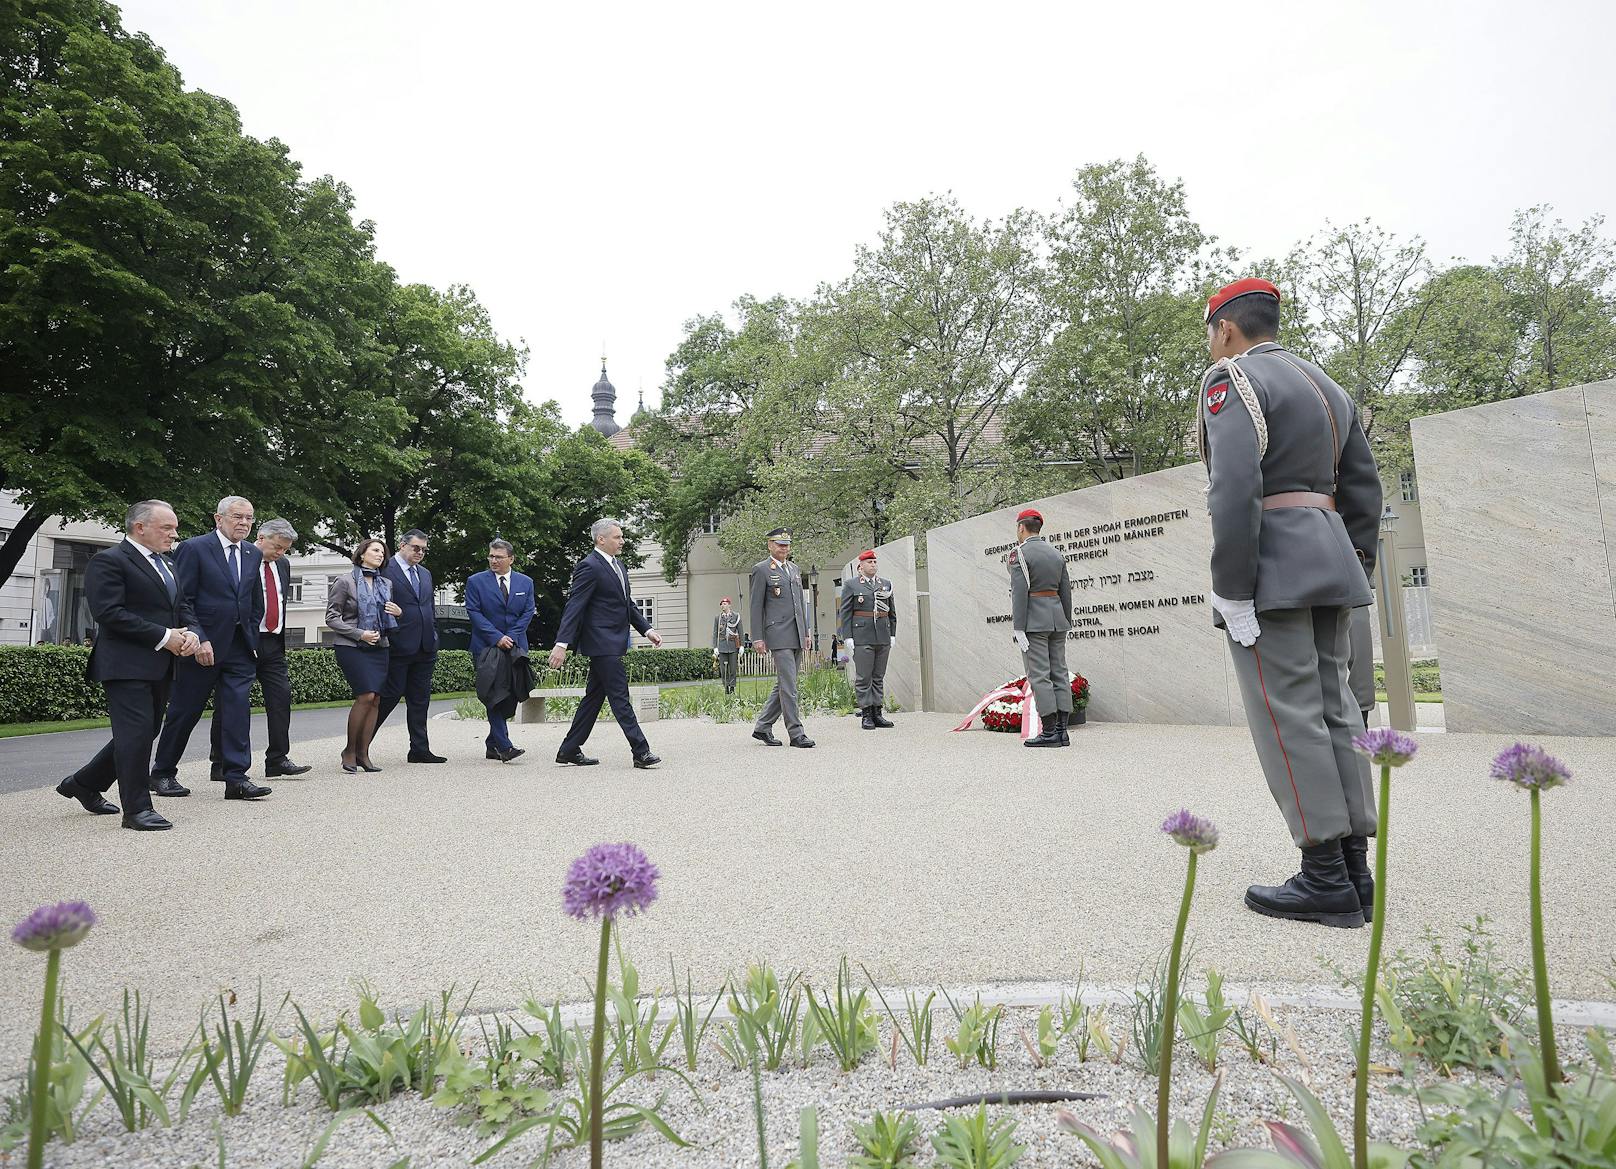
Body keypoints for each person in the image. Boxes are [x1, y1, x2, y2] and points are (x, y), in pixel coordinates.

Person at [1197, 277, 1383, 929]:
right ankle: (1356, 870)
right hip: (1332, 563)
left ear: (1225, 329)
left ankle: (1324, 877)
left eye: (1209, 334)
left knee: (1290, 718)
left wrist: (1231, 585)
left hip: (1272, 566)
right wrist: (1354, 565)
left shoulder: (1231, 381)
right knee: (1338, 712)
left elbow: (1234, 489)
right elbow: (1364, 489)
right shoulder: (1328, 387)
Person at [56, 500, 200, 831]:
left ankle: (84, 783)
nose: (174, 534)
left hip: (161, 663)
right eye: (167, 528)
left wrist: (190, 633)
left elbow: (182, 606)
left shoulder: (169, 565)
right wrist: (166, 636)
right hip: (124, 664)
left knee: (145, 730)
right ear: (140, 527)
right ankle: (136, 810)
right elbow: (108, 613)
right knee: (135, 733)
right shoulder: (109, 561)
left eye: (174, 528)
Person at [149, 495, 272, 802]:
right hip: (201, 645)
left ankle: (236, 778)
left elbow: (254, 600)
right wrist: (198, 637)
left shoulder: (252, 554)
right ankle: (163, 773)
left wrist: (252, 636)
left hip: (240, 647)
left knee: (237, 711)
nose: (243, 523)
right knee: (185, 711)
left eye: (248, 518)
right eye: (237, 517)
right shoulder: (194, 548)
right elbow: (182, 598)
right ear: (218, 519)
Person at [550, 519, 664, 768]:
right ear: (600, 539)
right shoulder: (588, 566)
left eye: (621, 537)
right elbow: (574, 607)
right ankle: (640, 751)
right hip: (601, 644)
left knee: (593, 698)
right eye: (617, 537)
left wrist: (647, 630)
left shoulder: (618, 566)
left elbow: (627, 605)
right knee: (620, 696)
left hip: (613, 642)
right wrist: (562, 643)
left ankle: (568, 749)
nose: (622, 541)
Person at [209, 517, 308, 781]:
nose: (280, 553)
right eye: (277, 547)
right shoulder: (243, 559)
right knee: (230, 701)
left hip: (273, 642)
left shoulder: (282, 565)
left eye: (285, 549)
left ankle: (277, 759)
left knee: (281, 698)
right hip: (242, 640)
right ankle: (220, 761)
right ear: (261, 538)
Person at [325, 538, 402, 773]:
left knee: (376, 698)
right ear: (361, 555)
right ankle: (349, 750)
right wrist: (360, 634)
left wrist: (399, 612)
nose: (380, 555)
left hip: (380, 646)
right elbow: (331, 618)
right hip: (352, 646)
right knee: (366, 695)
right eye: (376, 550)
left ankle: (363, 752)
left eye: (383, 552)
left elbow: (388, 614)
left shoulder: (386, 584)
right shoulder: (345, 581)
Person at [376, 529, 445, 763]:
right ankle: (359, 746)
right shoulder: (385, 570)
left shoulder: (425, 574)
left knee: (420, 699)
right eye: (416, 548)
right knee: (389, 697)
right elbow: (377, 607)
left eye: (424, 549)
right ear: (402, 545)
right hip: (398, 646)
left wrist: (434, 635)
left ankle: (419, 749)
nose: (420, 553)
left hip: (425, 646)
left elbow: (429, 608)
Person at [464, 539, 535, 763]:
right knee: (493, 695)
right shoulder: (475, 581)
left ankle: (491, 744)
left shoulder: (526, 582)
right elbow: (474, 612)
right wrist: (496, 637)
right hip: (486, 647)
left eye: (499, 557)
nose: (494, 560)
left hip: (515, 647)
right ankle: (505, 747)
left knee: (512, 694)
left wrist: (511, 637)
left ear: (511, 559)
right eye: (491, 556)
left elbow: (527, 612)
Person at [1009, 508, 1074, 747]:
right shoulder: (1056, 554)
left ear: (1021, 527)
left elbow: (1019, 592)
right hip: (1057, 620)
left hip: (1034, 622)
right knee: (1059, 672)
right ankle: (1062, 731)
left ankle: (1049, 733)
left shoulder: (1019, 554)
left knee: (1039, 675)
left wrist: (1019, 627)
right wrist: (1065, 620)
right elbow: (1065, 591)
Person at [749, 528, 814, 748]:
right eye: (779, 544)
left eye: (786, 544)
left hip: (796, 633)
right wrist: (757, 637)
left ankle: (762, 727)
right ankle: (796, 733)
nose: (784, 548)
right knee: (789, 686)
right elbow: (756, 606)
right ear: (770, 545)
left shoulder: (794, 570)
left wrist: (806, 632)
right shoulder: (761, 570)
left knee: (785, 684)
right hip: (777, 634)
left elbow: (799, 606)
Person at [839, 550, 896, 730]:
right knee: (864, 677)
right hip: (862, 636)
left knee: (878, 676)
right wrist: (847, 636)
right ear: (860, 566)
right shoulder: (852, 585)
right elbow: (846, 613)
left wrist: (892, 634)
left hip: (882, 635)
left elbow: (892, 613)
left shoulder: (885, 584)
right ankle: (866, 713)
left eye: (874, 562)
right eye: (869, 562)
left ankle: (877, 712)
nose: (873, 564)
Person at [711, 597, 745, 695]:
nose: (723, 605)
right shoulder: (718, 618)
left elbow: (740, 631)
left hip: (733, 646)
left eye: (725, 604)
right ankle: (726, 687)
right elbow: (715, 633)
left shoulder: (736, 616)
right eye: (722, 604)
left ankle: (732, 688)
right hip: (722, 646)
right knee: (723, 669)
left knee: (733, 669)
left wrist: (742, 645)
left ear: (729, 605)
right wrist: (715, 647)